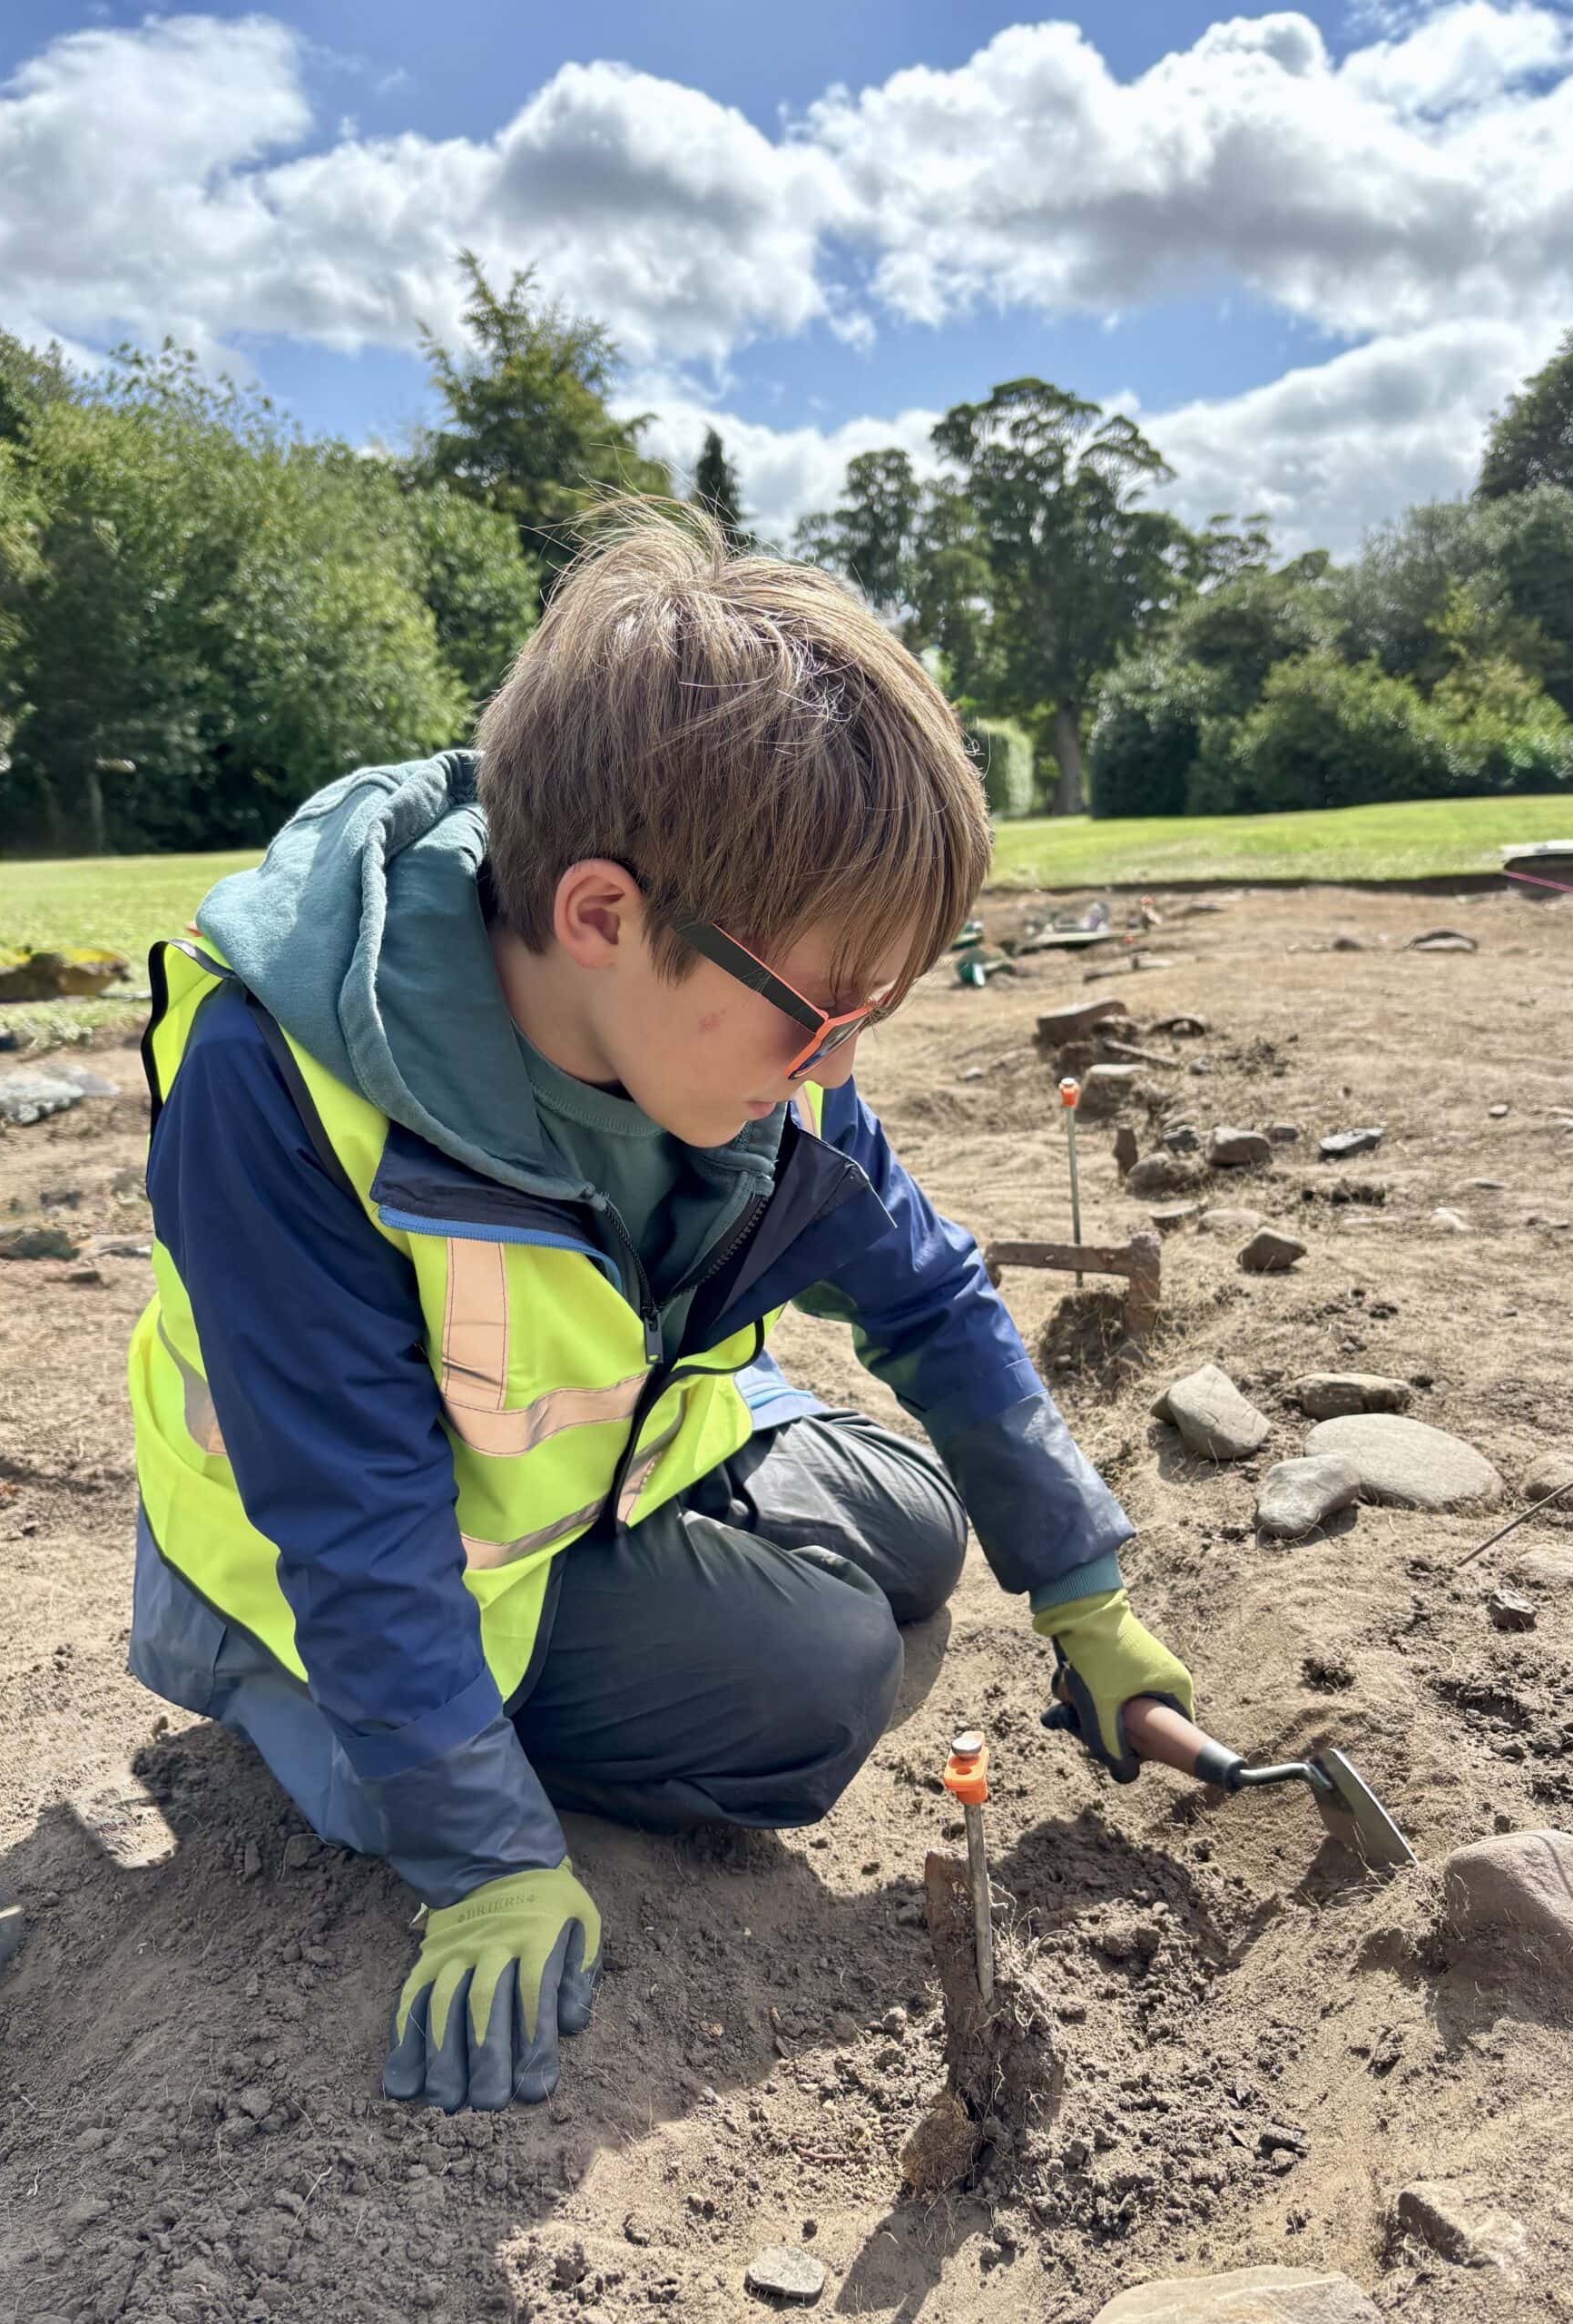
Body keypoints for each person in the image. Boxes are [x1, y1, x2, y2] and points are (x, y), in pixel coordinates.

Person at [126, 507, 1194, 2115]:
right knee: (821, 1680)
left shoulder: (757, 1056)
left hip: (598, 1469)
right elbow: (349, 1525)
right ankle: (324, 1736)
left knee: (919, 1530)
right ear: (604, 916)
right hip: (326, 1571)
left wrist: (1087, 1593)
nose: (842, 1062)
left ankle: (642, 1601)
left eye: (872, 1013)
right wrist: (483, 1856)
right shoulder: (280, 1094)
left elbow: (933, 1295)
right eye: (824, 1012)